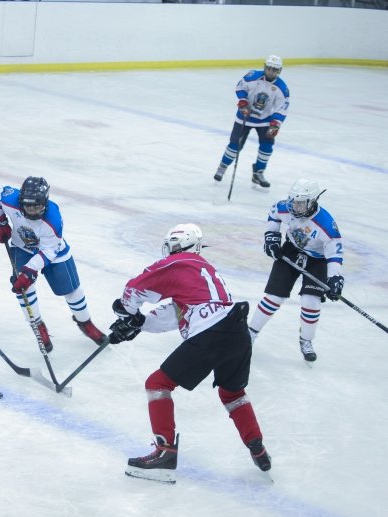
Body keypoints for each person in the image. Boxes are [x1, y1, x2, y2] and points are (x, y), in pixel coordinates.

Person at [107, 224, 270, 484]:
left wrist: (126, 312)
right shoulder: (202, 271)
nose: (169, 252)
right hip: (238, 333)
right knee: (233, 394)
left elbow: (135, 287)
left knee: (157, 384)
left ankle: (165, 454)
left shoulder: (179, 262)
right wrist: (139, 324)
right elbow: (178, 313)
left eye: (172, 247)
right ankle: (257, 447)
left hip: (212, 334)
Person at [0, 176, 106, 352]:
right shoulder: (9, 199)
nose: (32, 211)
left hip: (53, 252)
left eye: (37, 206)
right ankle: (38, 326)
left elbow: (48, 251)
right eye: (28, 206)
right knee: (23, 288)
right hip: (22, 247)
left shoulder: (53, 218)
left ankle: (85, 323)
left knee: (71, 290)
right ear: (21, 201)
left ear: (45, 202)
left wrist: (30, 270)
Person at [248, 178, 344, 363]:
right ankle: (250, 333)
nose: (294, 207)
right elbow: (274, 214)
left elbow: (334, 253)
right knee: (273, 298)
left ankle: (306, 340)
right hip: (290, 251)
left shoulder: (326, 224)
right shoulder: (287, 207)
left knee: (311, 301)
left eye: (300, 203)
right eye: (293, 201)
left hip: (318, 261)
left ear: (312, 201)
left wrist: (334, 278)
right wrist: (272, 237)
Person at [213, 55, 290, 192]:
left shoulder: (282, 88)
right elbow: (240, 87)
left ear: (279, 71)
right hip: (244, 116)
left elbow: (281, 108)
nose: (271, 71)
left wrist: (275, 124)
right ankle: (222, 167)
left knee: (267, 146)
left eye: (274, 70)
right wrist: (243, 101)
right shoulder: (252, 76)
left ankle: (258, 173)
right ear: (264, 67)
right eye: (269, 68)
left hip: (265, 120)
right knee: (235, 144)